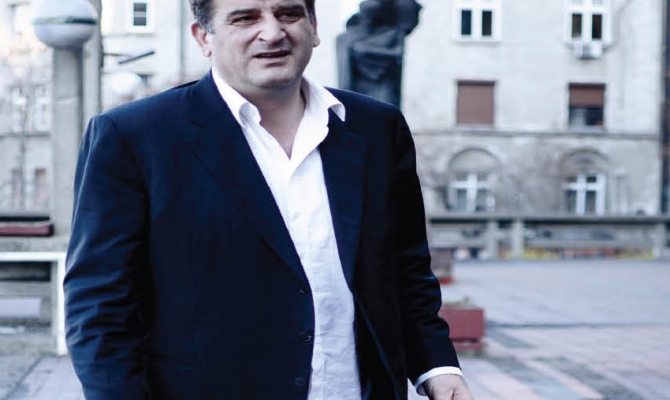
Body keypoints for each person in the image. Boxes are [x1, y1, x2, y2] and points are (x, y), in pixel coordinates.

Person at [63, 0, 475, 399]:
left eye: (288, 13)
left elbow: (405, 268)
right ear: (203, 37)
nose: (273, 32)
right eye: (245, 18)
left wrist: (438, 368)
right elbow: (100, 305)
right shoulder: (134, 137)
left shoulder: (375, 127)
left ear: (314, 27)